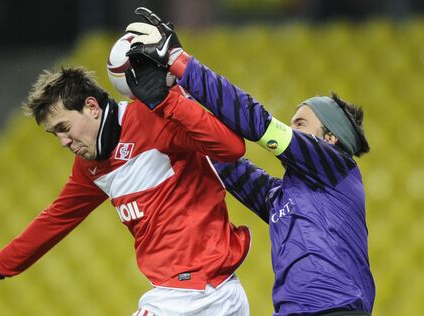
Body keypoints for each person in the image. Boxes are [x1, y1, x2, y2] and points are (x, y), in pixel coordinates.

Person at [124, 7, 375, 316]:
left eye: (301, 123)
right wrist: (174, 96)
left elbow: (256, 122)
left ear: (330, 138)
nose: (291, 128)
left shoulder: (336, 168)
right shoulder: (280, 198)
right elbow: (223, 161)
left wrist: (178, 60)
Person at [0, 63, 254, 315]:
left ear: (92, 107)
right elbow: (54, 220)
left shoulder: (150, 119)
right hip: (194, 293)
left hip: (197, 293)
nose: (63, 143)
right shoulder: (91, 167)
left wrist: (168, 100)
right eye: (54, 135)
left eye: (64, 128)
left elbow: (231, 147)